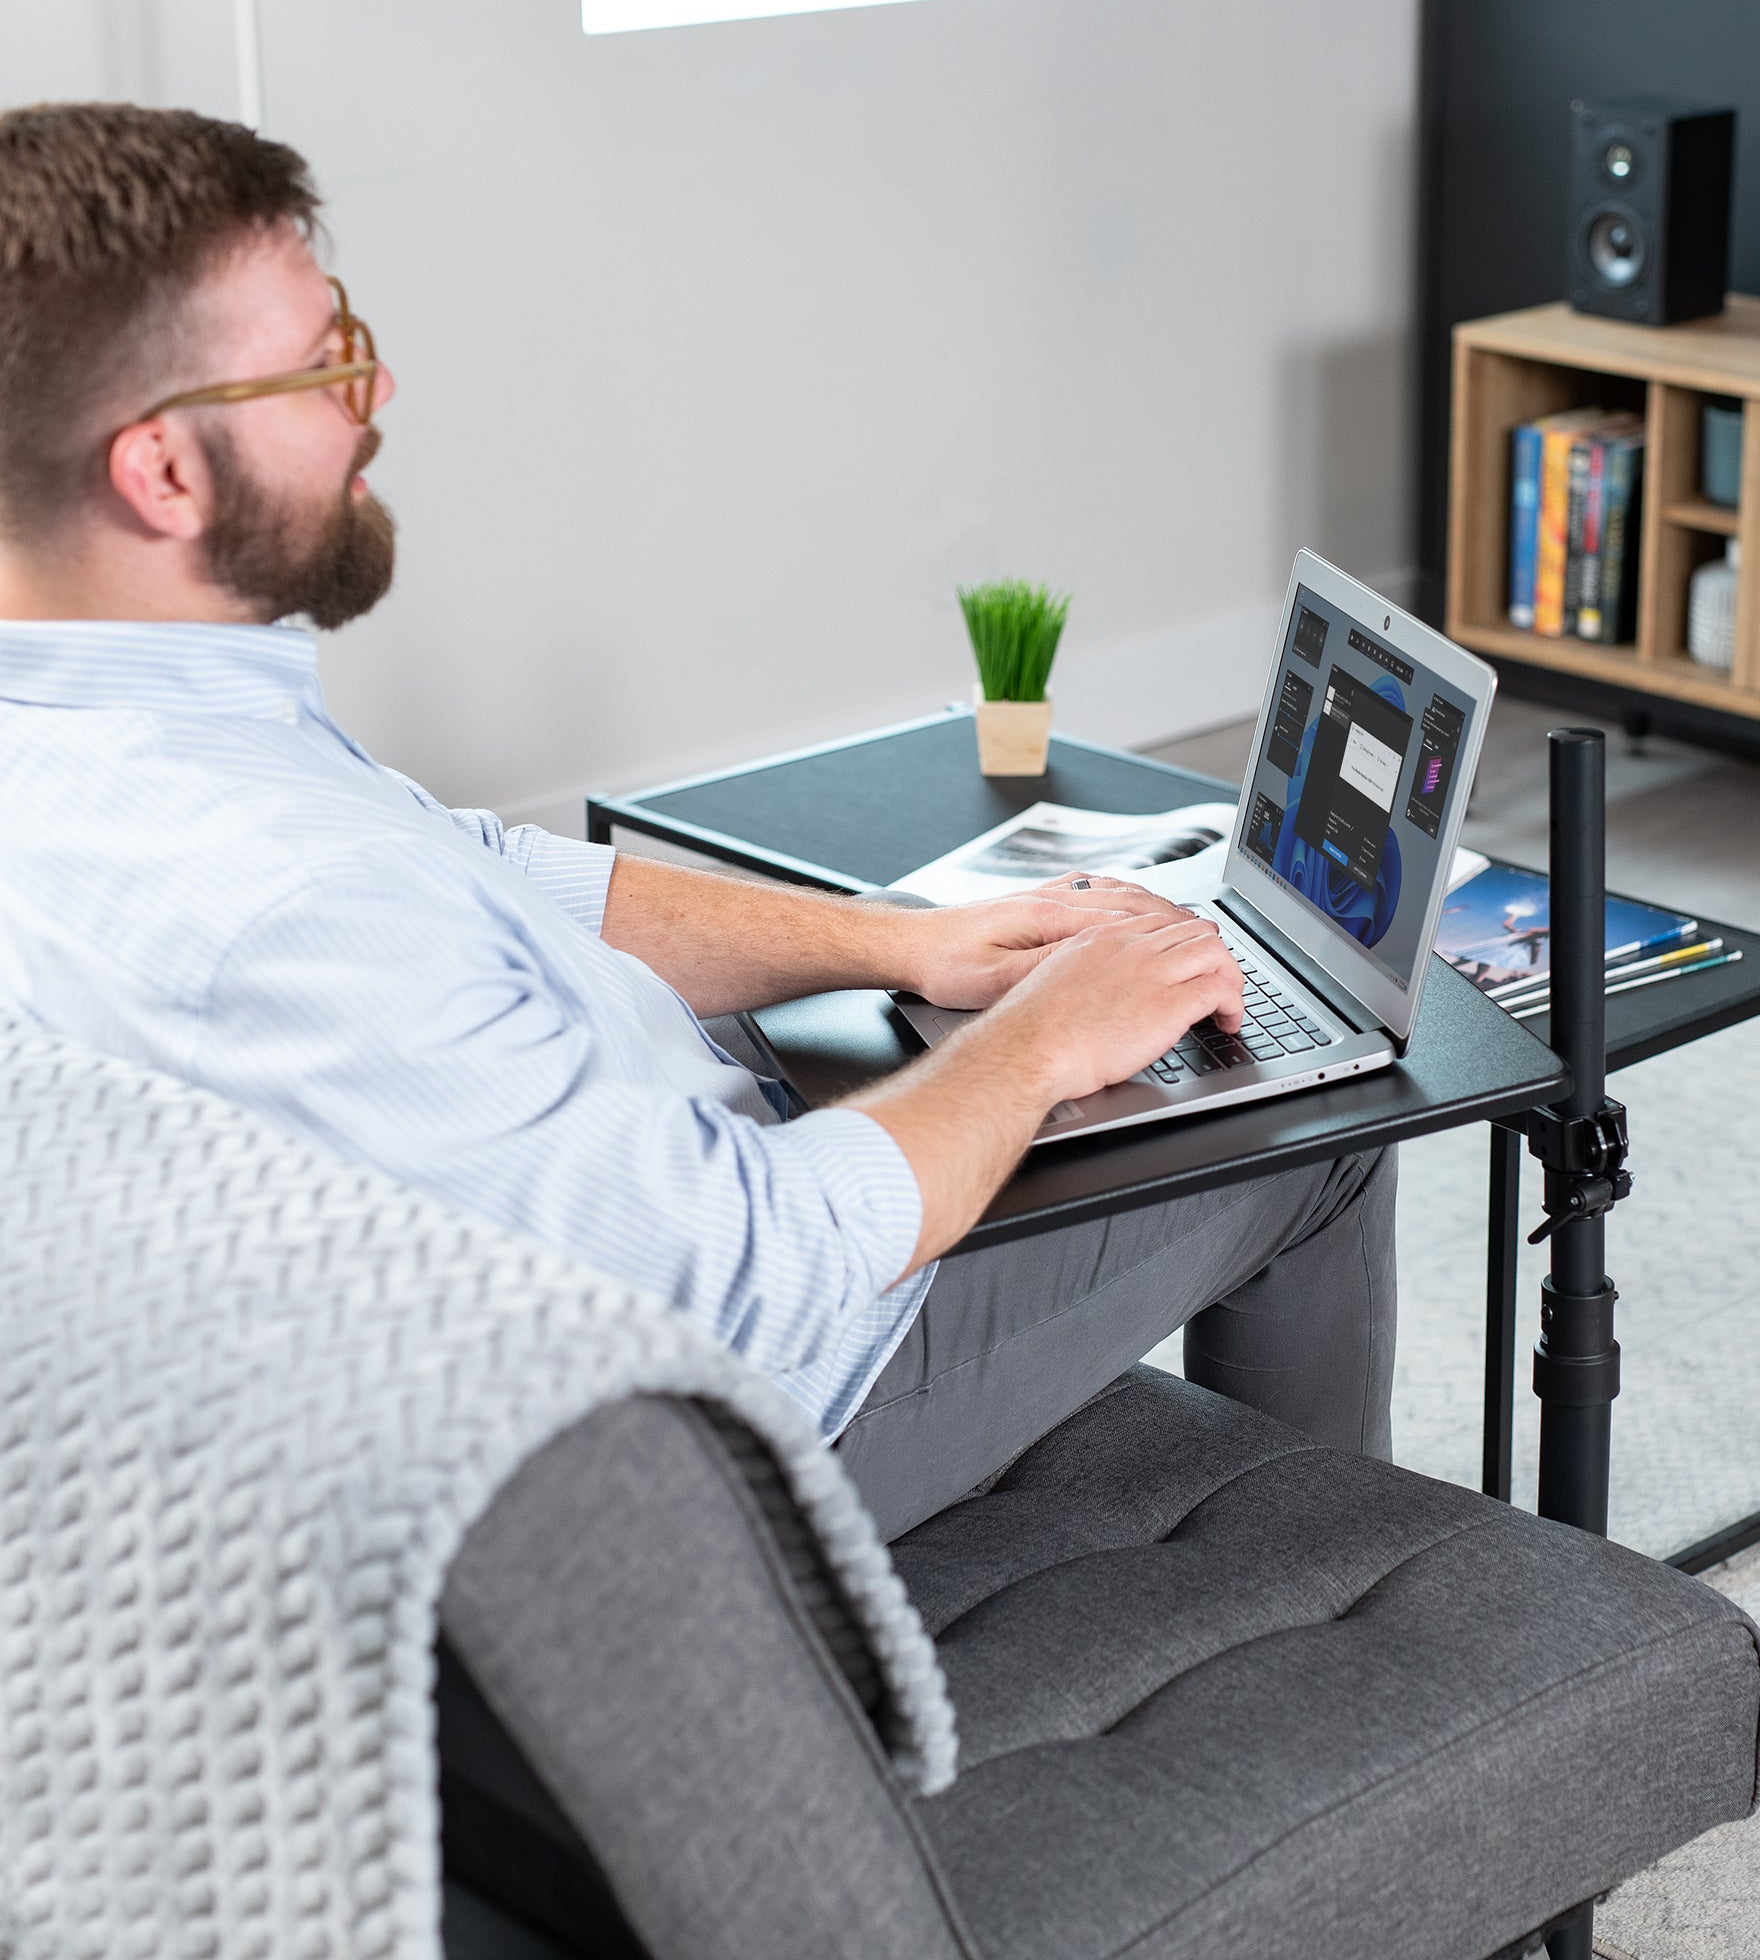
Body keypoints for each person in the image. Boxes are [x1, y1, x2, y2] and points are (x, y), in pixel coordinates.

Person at [0, 104, 1395, 1539]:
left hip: (662, 1197)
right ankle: (1384, 1662)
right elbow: (744, 1272)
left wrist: (910, 948)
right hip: (747, 1433)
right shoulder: (283, 900)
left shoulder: (117, 732)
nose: (379, 391)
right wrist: (1042, 1042)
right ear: (161, 470)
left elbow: (478, 871)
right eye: (322, 366)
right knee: (1322, 1131)